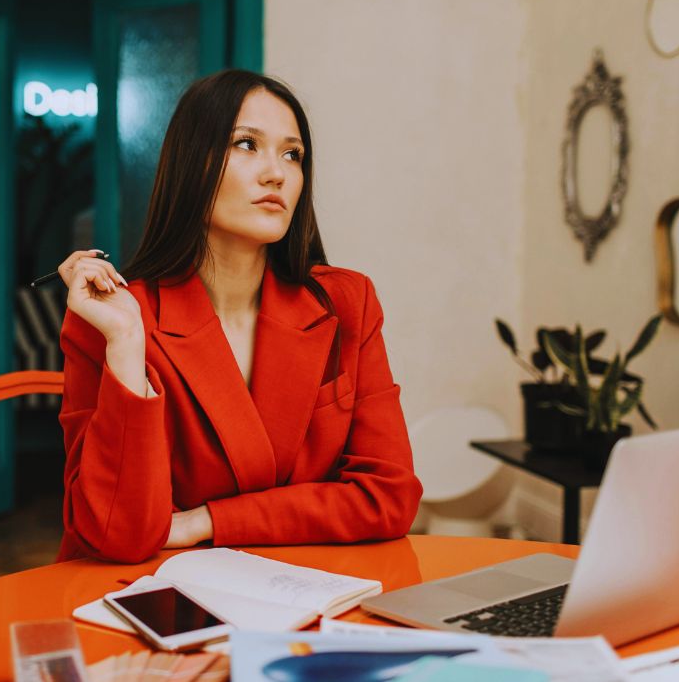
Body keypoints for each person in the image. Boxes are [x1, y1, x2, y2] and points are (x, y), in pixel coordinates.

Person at [55, 69, 421, 563]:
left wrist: (207, 520)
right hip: (154, 598)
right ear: (191, 164)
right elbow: (119, 534)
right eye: (246, 144)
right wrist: (125, 342)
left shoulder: (347, 302)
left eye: (293, 154)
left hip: (304, 588)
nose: (277, 172)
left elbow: (389, 498)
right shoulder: (111, 317)